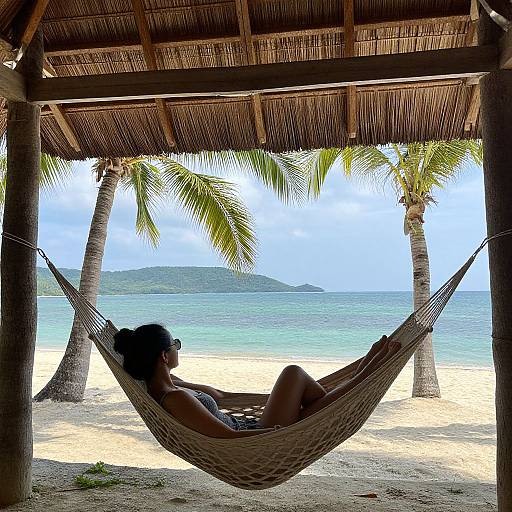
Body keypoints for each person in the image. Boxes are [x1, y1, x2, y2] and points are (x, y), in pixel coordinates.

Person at [113, 324, 401, 439]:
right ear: (164, 356)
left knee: (309, 400)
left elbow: (219, 394)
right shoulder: (176, 397)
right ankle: (364, 374)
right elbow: (227, 438)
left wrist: (261, 400)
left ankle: (362, 373)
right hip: (257, 436)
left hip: (257, 426)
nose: (178, 348)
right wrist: (276, 434)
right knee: (293, 373)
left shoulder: (168, 385)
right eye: (176, 344)